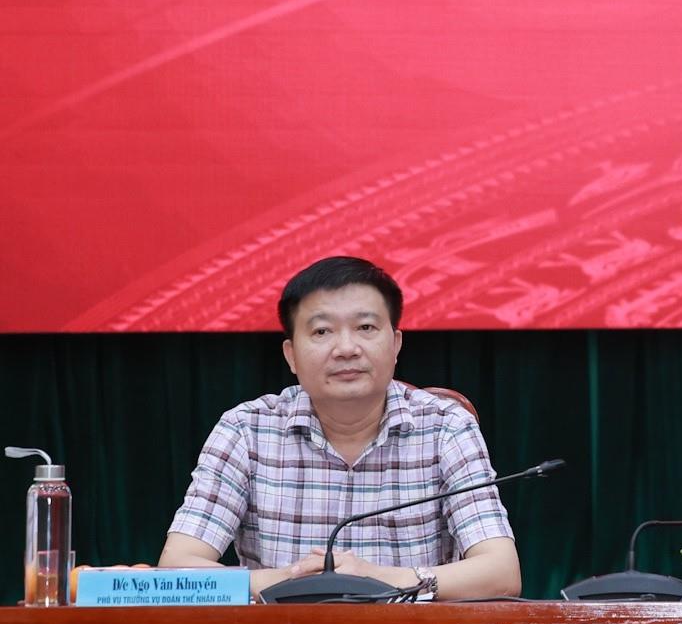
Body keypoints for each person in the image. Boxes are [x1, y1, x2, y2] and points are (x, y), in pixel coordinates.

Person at [159, 255, 522, 599]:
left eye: (365, 327)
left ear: (396, 344)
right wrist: (291, 581)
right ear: (291, 355)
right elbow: (178, 567)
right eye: (322, 331)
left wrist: (381, 580)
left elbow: (501, 572)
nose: (346, 348)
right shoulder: (246, 431)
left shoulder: (446, 427)